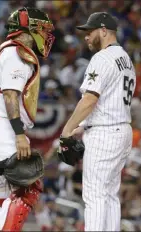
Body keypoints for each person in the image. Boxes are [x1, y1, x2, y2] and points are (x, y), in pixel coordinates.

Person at [0, 7, 55, 231]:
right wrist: (19, 134)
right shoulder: (18, 53)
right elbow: (10, 94)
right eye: (43, 28)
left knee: (3, 196)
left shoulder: (6, 51)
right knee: (27, 188)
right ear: (31, 28)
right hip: (3, 127)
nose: (46, 34)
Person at [61, 12, 136, 231]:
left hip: (105, 135)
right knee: (109, 195)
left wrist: (66, 130)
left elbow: (90, 99)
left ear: (104, 30)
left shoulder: (101, 58)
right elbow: (111, 102)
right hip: (121, 130)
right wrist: (82, 126)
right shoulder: (126, 59)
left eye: (90, 31)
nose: (86, 36)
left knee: (93, 195)